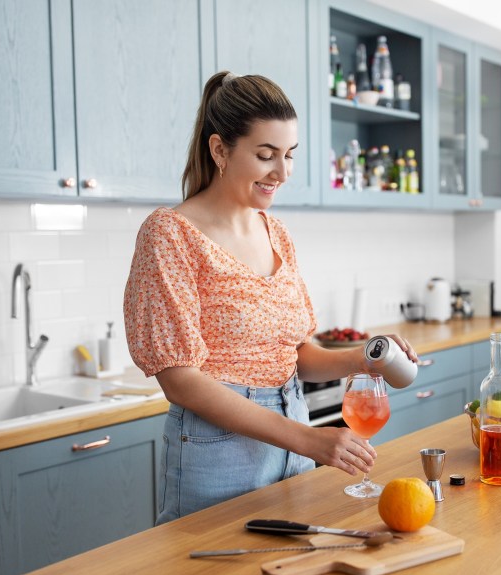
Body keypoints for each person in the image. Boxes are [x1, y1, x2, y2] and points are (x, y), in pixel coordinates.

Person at [123, 71, 417, 524]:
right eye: (266, 156)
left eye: (289, 155)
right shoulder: (170, 234)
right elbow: (179, 378)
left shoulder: (274, 232)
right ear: (220, 149)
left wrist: (366, 359)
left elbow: (297, 353)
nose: (282, 173)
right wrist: (305, 438)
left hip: (290, 428)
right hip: (216, 451)